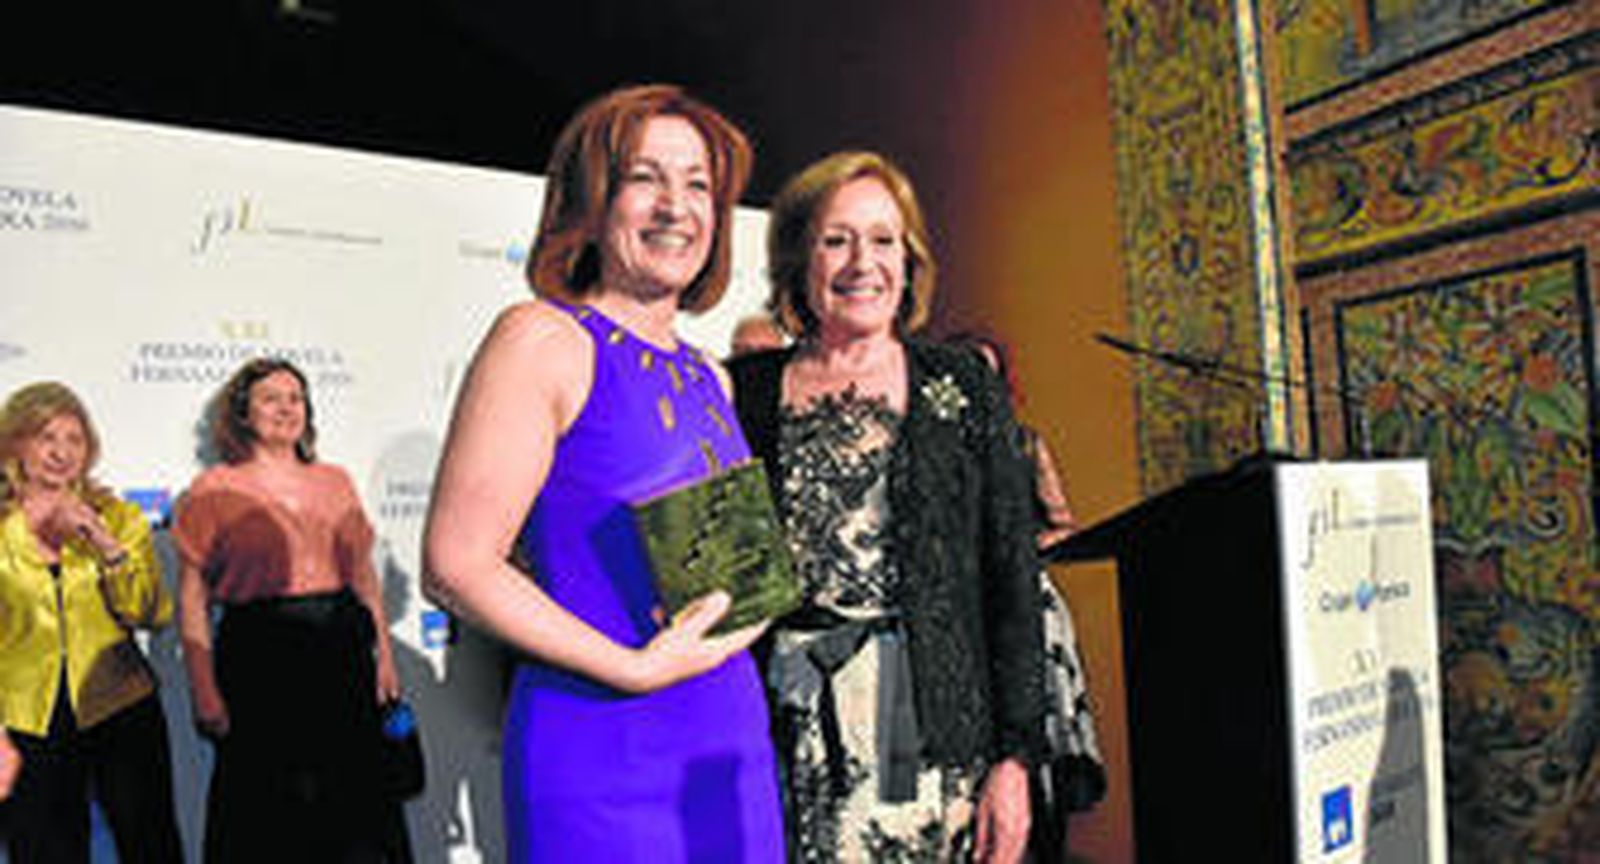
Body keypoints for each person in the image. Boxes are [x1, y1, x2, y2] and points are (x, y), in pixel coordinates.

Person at [422, 84, 784, 863]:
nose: (675, 206)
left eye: (698, 185)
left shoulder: (712, 378)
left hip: (730, 748)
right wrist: (633, 668)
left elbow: (736, 581)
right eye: (644, 178)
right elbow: (456, 564)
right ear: (590, 201)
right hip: (599, 753)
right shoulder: (541, 340)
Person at [729, 151, 1047, 862]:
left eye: (882, 239)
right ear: (798, 261)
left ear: (910, 260)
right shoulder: (742, 392)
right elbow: (726, 582)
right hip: (786, 733)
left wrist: (1017, 762)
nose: (860, 262)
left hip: (935, 735)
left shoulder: (961, 385)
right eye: (836, 240)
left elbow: (1013, 579)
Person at [174, 358, 410, 863]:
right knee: (266, 818)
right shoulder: (212, 490)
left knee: (357, 814)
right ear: (242, 415)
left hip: (343, 657)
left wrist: (385, 657)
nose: (285, 408)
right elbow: (192, 596)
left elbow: (363, 576)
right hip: (261, 663)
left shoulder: (336, 482)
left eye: (295, 398)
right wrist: (203, 689)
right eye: (269, 398)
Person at [0, 381, 183, 863]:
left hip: (119, 705)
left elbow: (151, 612)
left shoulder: (118, 517)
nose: (62, 452)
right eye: (47, 438)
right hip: (26, 719)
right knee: (42, 851)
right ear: (16, 443)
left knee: (151, 846)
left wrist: (107, 548)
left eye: (74, 439)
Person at [945, 331, 1107, 860]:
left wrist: (1019, 549)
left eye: (987, 371)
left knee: (1038, 756)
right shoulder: (934, 449)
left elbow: (1065, 527)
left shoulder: (1025, 443)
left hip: (1028, 612)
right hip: (959, 612)